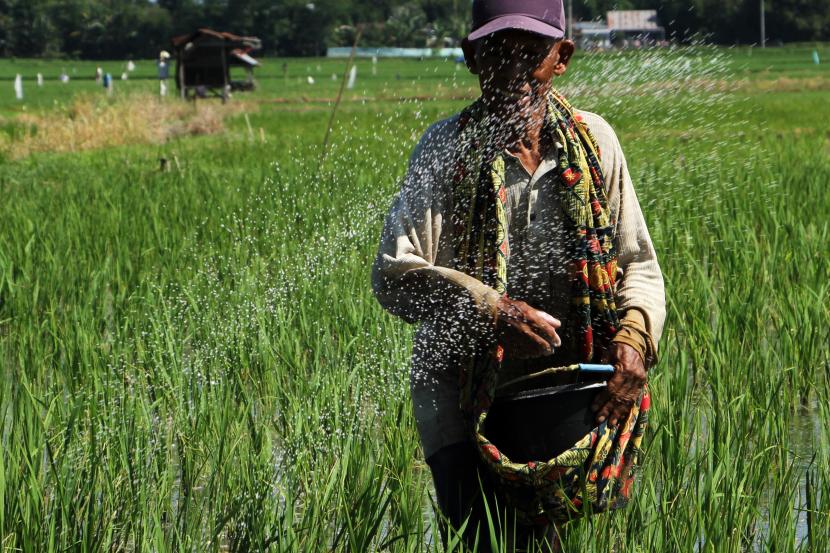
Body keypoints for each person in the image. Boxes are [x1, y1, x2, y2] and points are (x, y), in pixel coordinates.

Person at [372, 0, 666, 550]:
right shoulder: (446, 150)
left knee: (549, 541)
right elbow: (394, 275)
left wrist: (632, 339)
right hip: (460, 394)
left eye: (531, 54)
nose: (513, 72)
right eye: (496, 54)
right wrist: (492, 308)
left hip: (562, 391)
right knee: (485, 539)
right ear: (471, 58)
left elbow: (638, 264)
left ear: (562, 57)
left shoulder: (594, 143)